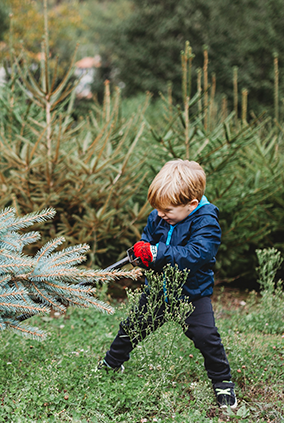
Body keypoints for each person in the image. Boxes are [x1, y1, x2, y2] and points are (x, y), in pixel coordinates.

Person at [98, 159, 237, 409]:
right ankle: (111, 364)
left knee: (207, 337)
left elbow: (195, 254)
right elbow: (148, 241)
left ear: (191, 204)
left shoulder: (206, 222)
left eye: (168, 211)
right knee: (131, 328)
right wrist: (142, 254)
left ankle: (223, 383)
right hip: (157, 292)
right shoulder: (158, 216)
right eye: (159, 209)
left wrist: (156, 253)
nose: (161, 215)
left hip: (192, 295)